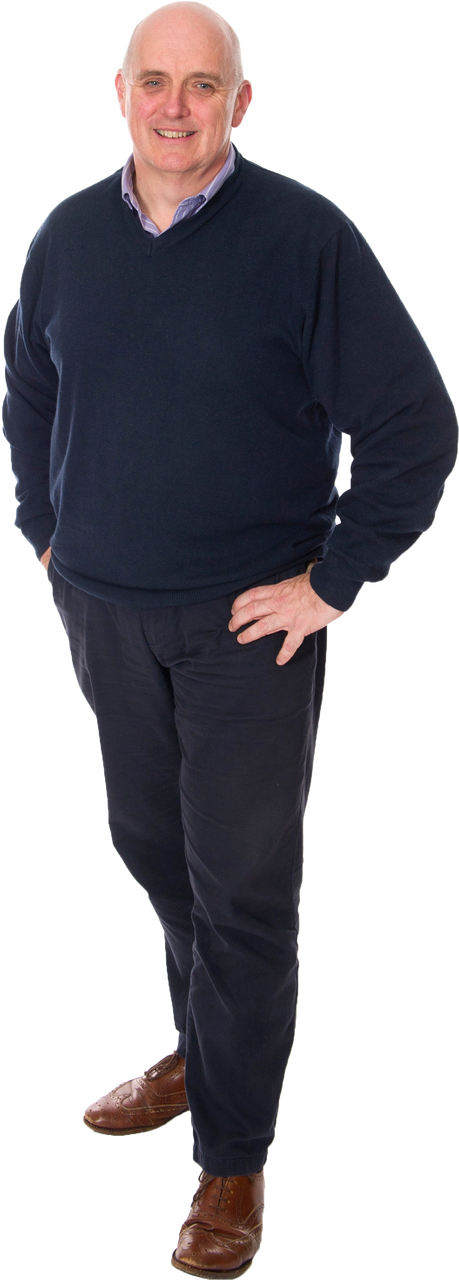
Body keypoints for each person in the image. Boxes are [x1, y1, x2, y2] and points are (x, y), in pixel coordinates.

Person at [2, 1, 457, 1275]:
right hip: (103, 606)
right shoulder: (69, 234)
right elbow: (29, 382)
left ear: (240, 101)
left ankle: (233, 1158)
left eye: (203, 85)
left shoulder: (306, 237)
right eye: (155, 81)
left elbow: (418, 424)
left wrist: (336, 579)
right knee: (153, 846)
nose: (176, 106)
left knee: (243, 887)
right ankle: (208, 1048)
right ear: (120, 92)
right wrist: (45, 528)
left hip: (249, 626)